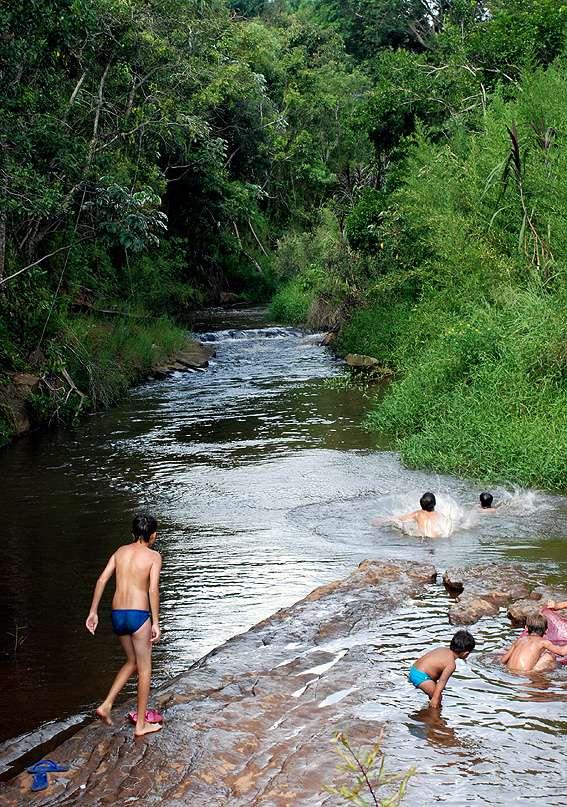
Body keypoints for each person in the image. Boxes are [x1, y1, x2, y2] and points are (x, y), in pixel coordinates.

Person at [86, 513, 163, 737]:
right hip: (138, 615)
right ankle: (141, 725)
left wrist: (93, 612)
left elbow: (101, 580)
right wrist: (156, 621)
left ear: (133, 533)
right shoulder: (153, 556)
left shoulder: (120, 552)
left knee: (132, 662)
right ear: (153, 535)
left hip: (117, 614)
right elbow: (152, 590)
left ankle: (106, 704)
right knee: (145, 668)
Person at [408, 630, 475, 708]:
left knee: (434, 693)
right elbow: (441, 683)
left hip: (414, 669)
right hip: (421, 676)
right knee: (438, 698)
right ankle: (434, 717)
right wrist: (436, 698)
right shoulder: (451, 665)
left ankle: (427, 710)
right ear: (466, 653)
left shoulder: (442, 649)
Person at [501, 614, 567, 672]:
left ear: (526, 628)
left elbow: (503, 660)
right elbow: (562, 652)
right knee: (549, 655)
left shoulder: (519, 640)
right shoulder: (543, 642)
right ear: (546, 630)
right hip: (525, 674)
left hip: (509, 671)